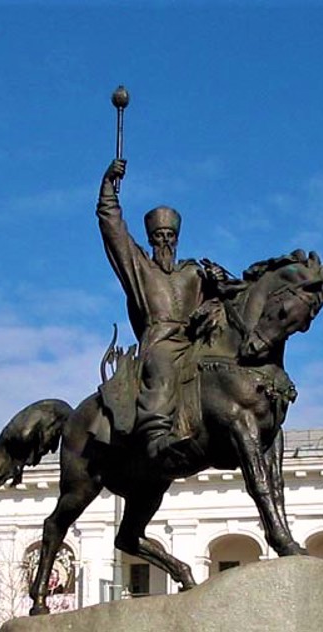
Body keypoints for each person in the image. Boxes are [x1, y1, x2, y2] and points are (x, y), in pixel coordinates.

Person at [97, 158, 228, 466]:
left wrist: (222, 282)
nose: (165, 242)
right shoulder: (141, 269)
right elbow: (112, 228)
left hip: (194, 340)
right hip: (160, 341)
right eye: (159, 237)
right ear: (150, 239)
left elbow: (228, 299)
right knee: (162, 368)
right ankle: (156, 436)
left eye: (170, 236)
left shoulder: (194, 271)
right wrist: (108, 188)